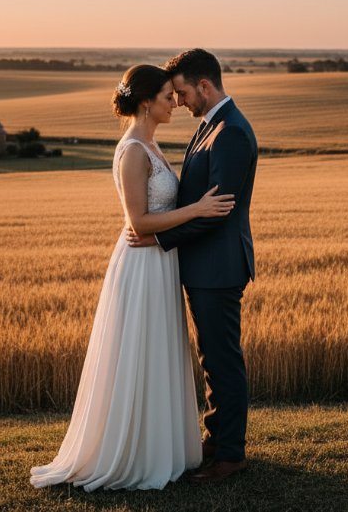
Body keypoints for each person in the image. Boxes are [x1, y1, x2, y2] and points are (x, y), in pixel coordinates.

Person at [29, 64, 235, 491]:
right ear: (145, 102)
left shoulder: (151, 145)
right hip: (142, 263)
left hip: (161, 261)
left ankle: (161, 447)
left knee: (157, 350)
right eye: (166, 97)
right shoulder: (132, 151)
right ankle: (132, 451)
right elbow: (138, 222)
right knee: (138, 352)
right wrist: (197, 210)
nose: (174, 103)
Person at [127, 48, 258, 484]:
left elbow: (215, 210)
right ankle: (217, 438)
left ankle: (230, 455)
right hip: (202, 266)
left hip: (218, 267)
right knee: (211, 359)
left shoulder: (231, 132)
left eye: (182, 92)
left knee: (222, 360)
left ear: (205, 85)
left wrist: (158, 237)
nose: (178, 101)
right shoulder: (211, 126)